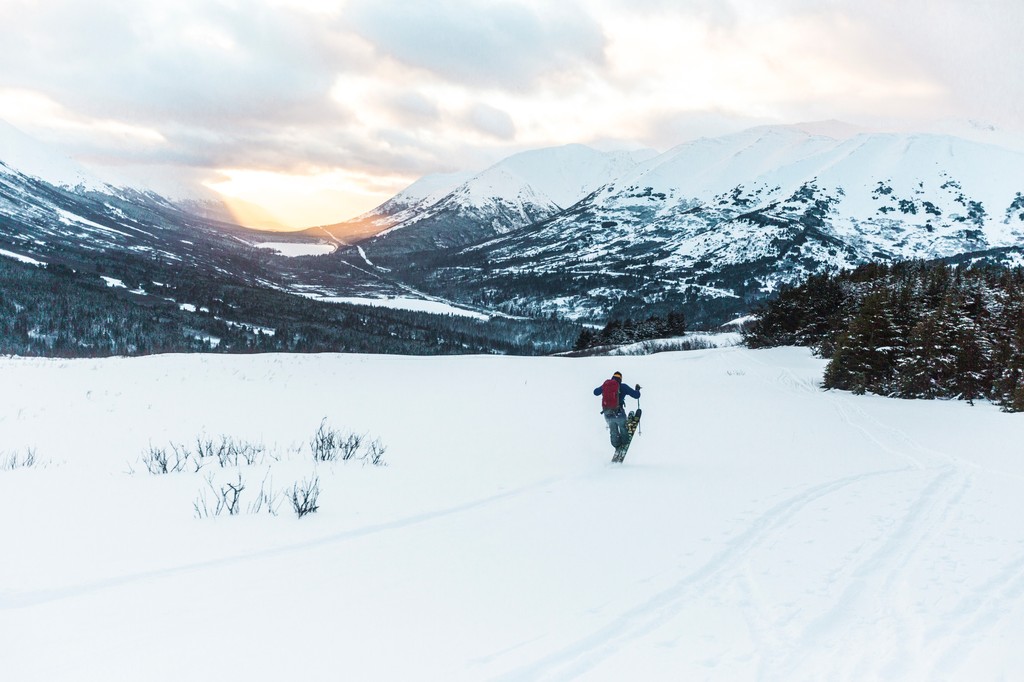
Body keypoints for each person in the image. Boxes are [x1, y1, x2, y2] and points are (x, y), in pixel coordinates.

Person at [594, 371, 641, 456]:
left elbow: (595, 392)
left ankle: (616, 445)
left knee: (613, 430)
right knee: (623, 427)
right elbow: (636, 395)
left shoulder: (605, 385)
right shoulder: (623, 386)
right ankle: (624, 441)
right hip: (619, 413)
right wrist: (637, 389)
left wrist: (604, 388)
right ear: (620, 379)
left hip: (607, 414)